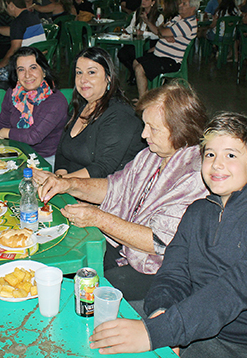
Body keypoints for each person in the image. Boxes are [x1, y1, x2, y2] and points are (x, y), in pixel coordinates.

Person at [90, 112, 247, 358]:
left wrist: (159, 332)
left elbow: (232, 291)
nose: (217, 164)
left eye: (231, 155)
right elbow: (174, 273)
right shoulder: (198, 212)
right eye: (210, 154)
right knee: (98, 329)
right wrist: (160, 311)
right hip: (198, 325)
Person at [35, 82, 208, 301]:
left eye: (153, 128)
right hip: (127, 248)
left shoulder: (195, 175)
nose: (144, 134)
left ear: (181, 129)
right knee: (67, 254)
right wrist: (69, 184)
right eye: (145, 125)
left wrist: (98, 218)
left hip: (163, 268)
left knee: (86, 289)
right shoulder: (152, 156)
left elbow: (158, 241)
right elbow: (114, 188)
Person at [51, 47, 145, 178]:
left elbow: (103, 168)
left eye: (91, 72)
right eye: (79, 73)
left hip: (106, 192)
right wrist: (59, 177)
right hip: (72, 186)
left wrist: (62, 183)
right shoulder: (80, 107)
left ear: (108, 77)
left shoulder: (120, 115)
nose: (83, 79)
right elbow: (62, 152)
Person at [0, 47, 68, 167]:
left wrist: (6, 132)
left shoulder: (56, 101)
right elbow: (0, 125)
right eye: (21, 69)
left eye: (33, 68)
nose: (27, 75)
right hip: (15, 153)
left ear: (43, 71)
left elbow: (33, 136)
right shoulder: (13, 94)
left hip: (45, 160)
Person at [133, 0, 199, 98]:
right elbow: (160, 28)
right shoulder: (178, 18)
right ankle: (148, 95)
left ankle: (143, 101)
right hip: (160, 55)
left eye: (184, 4)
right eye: (181, 2)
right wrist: (164, 34)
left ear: (193, 8)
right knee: (136, 62)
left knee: (139, 69)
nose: (180, 5)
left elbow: (162, 31)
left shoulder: (188, 24)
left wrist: (164, 33)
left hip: (170, 60)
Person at [0, 0, 46, 81]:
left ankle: (7, 94)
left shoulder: (18, 22)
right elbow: (14, 31)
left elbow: (15, 49)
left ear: (11, 5)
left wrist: (0, 65)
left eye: (7, 6)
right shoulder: (32, 16)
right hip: (39, 62)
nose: (6, 9)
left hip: (26, 66)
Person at [117, 0, 163, 84]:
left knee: (134, 54)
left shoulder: (158, 16)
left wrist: (144, 33)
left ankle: (137, 75)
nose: (143, 1)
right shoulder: (138, 12)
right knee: (122, 54)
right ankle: (134, 73)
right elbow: (131, 26)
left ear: (153, 2)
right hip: (136, 41)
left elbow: (158, 34)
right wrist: (125, 31)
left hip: (150, 43)